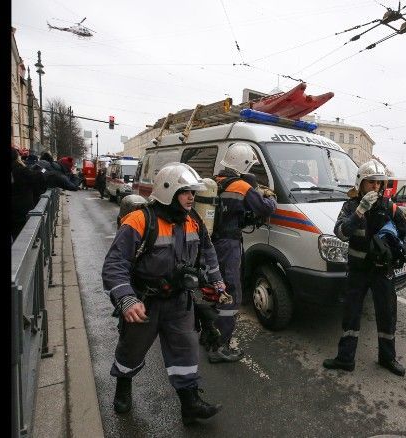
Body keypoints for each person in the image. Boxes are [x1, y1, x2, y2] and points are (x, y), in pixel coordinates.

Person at [102, 162, 226, 424]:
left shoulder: (193, 220)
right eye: (186, 191)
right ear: (168, 191)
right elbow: (115, 264)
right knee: (131, 351)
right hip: (144, 303)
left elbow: (208, 251)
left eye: (193, 191)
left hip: (180, 301)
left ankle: (190, 404)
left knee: (186, 351)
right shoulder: (140, 219)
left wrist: (216, 281)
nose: (192, 197)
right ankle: (123, 386)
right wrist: (126, 299)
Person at [323, 159, 406, 377]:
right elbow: (341, 233)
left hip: (382, 271)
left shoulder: (390, 207)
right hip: (357, 271)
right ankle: (345, 359)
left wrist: (404, 248)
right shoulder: (350, 206)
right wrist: (359, 212)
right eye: (371, 183)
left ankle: (387, 358)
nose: (375, 188)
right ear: (361, 183)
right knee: (351, 314)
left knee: (387, 314)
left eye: (379, 184)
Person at [208, 142, 277, 363]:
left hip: (211, 244)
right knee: (231, 294)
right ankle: (220, 347)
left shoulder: (215, 181)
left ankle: (208, 335)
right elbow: (265, 208)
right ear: (244, 164)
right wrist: (270, 196)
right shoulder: (240, 186)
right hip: (228, 245)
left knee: (213, 289)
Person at [11, 147, 46, 240]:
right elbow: (38, 177)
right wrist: (42, 170)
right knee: (20, 239)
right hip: (20, 211)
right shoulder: (20, 170)